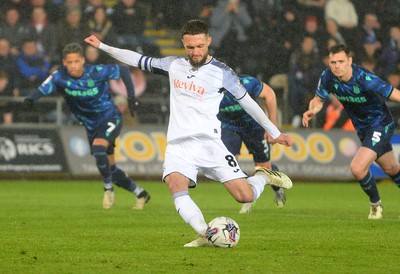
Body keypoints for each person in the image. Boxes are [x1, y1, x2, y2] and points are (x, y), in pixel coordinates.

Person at [85, 19, 294, 247]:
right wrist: (103, 47)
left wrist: (275, 132)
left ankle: (264, 176)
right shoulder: (173, 65)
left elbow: (249, 104)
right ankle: (206, 234)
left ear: (208, 41)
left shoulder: (222, 73)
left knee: (244, 196)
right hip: (178, 145)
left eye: (200, 46)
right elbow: (136, 59)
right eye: (190, 47)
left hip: (209, 143)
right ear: (183, 45)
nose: (195, 52)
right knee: (175, 185)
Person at [23, 42, 151, 210]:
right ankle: (141, 193)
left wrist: (131, 98)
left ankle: (108, 189)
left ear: (83, 60)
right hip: (91, 125)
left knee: (99, 148)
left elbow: (124, 71)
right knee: (111, 169)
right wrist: (30, 100)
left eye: (76, 61)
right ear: (64, 63)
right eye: (69, 62)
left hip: (110, 117)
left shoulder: (95, 72)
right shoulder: (59, 77)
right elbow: (41, 90)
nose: (73, 66)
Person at [302, 44, 400, 220]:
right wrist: (313, 110)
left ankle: (375, 205)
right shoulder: (327, 77)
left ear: (349, 61)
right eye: (333, 62)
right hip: (362, 129)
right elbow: (318, 100)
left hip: (380, 124)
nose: (337, 66)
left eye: (341, 61)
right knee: (391, 168)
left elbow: (394, 94)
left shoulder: (364, 78)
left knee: (357, 168)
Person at [218, 74, 287, 213]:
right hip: (228, 127)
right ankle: (248, 196)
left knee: (263, 168)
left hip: (253, 126)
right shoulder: (207, 89)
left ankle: (277, 187)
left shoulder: (246, 83)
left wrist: (272, 128)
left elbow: (270, 94)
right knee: (227, 165)